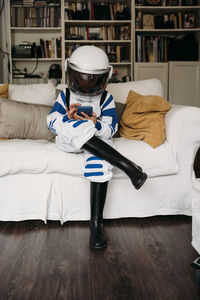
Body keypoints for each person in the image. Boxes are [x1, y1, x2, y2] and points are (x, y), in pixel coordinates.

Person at [47, 45, 147, 250]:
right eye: (81, 79)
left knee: (100, 163)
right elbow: (51, 121)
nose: (86, 86)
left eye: (92, 81)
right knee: (76, 126)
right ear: (70, 73)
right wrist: (67, 117)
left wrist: (95, 123)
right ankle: (128, 167)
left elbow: (111, 129)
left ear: (104, 77)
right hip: (68, 141)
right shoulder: (65, 95)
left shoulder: (105, 98)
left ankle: (96, 224)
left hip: (95, 145)